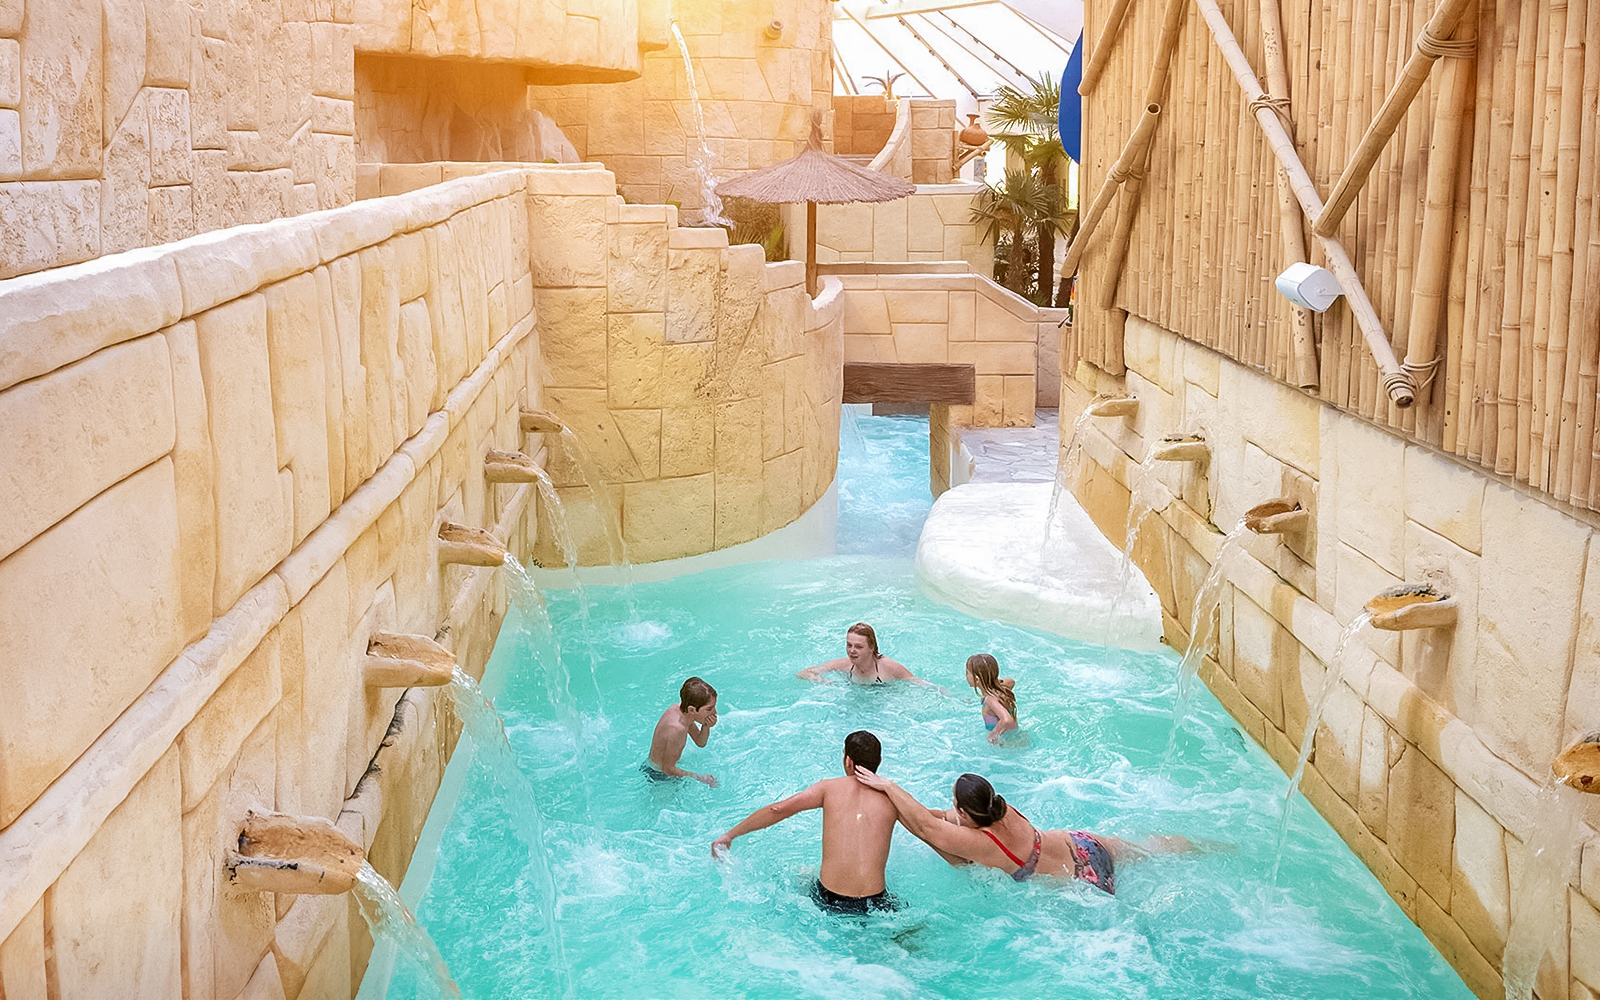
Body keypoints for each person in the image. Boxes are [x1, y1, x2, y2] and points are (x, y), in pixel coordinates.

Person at [853, 770, 1207, 895]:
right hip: (1083, 844)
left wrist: (888, 786)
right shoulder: (1000, 807)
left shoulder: (981, 842)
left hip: (1080, 881)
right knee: (1155, 850)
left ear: (964, 813)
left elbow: (928, 827)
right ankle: (1217, 847)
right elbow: (940, 816)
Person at [712, 731, 900, 914]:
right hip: (875, 904)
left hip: (830, 899)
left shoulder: (829, 788)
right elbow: (924, 822)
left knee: (795, 875)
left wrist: (730, 835)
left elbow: (777, 810)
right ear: (879, 761)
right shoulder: (893, 797)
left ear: (848, 761)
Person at [797, 622, 929, 686]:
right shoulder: (844, 664)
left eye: (859, 647)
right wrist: (825, 681)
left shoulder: (889, 667)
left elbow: (919, 683)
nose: (852, 650)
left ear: (871, 647)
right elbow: (803, 673)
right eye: (849, 645)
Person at [646, 677, 719, 786]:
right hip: (659, 777)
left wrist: (706, 726)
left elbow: (700, 742)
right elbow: (668, 769)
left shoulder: (681, 710)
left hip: (658, 768)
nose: (715, 712)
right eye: (709, 709)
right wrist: (700, 778)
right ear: (692, 710)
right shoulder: (677, 729)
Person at [965, 653, 1017, 743]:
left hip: (1006, 745)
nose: (966, 676)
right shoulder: (1002, 687)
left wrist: (993, 734)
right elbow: (1011, 681)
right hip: (1016, 738)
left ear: (977, 679)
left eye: (967, 673)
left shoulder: (990, 700)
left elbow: (1007, 720)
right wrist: (992, 682)